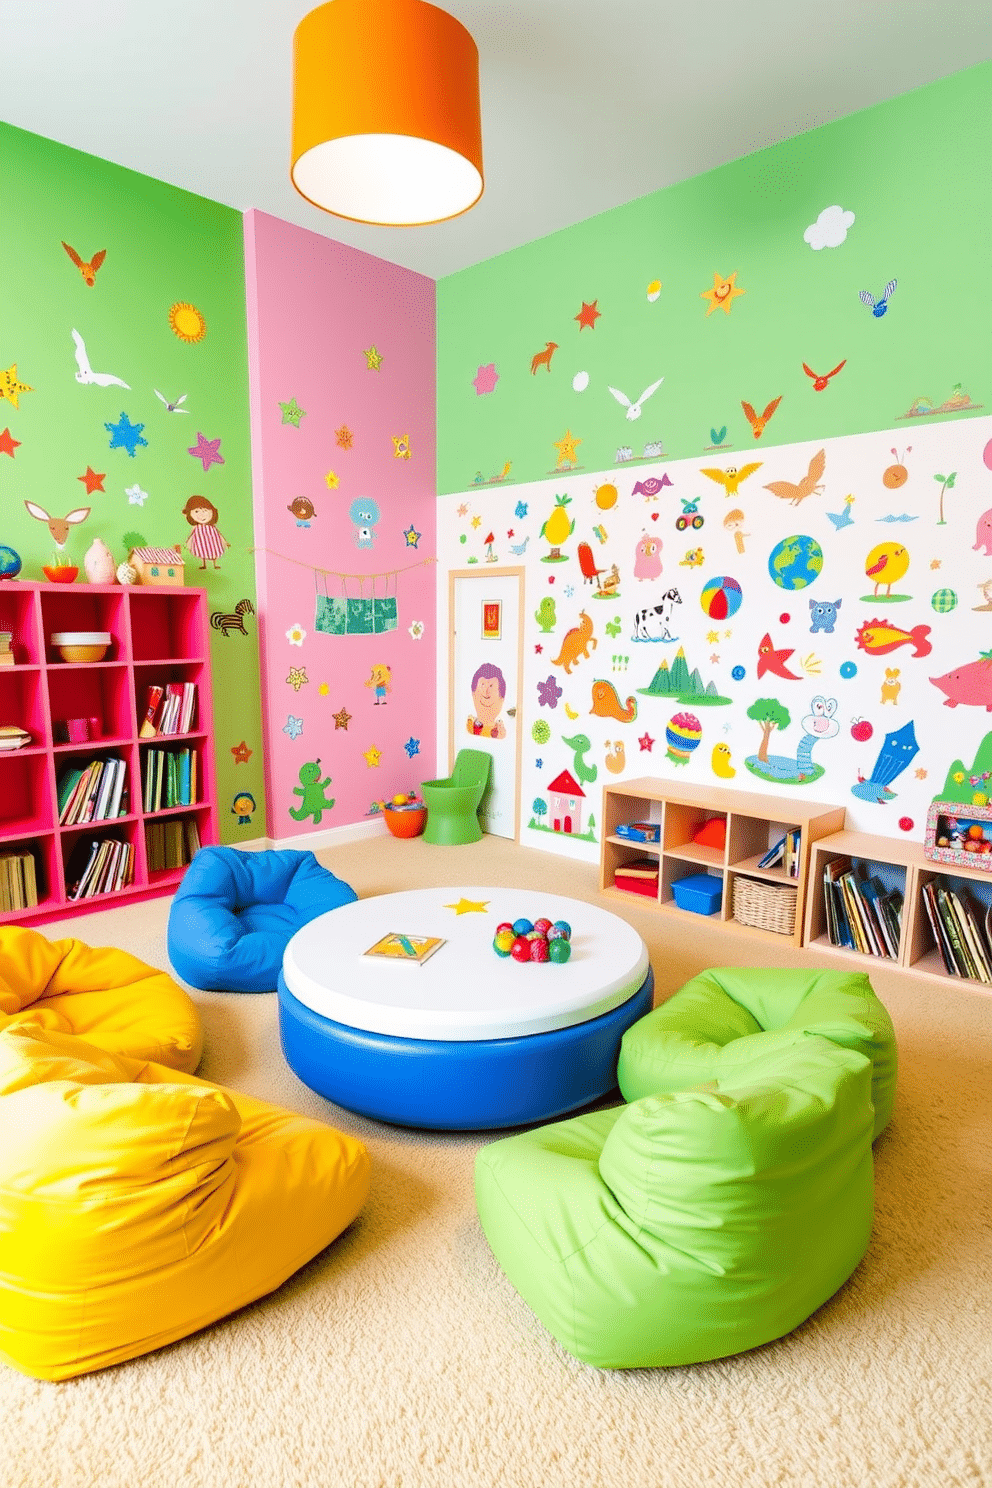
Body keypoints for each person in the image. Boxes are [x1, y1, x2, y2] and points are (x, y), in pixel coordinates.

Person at [182, 495, 229, 570]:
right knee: (202, 553)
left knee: (214, 552)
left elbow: (219, 535)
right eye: (196, 511)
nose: (201, 514)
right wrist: (188, 543)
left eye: (205, 511)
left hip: (213, 542)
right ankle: (204, 564)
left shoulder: (212, 527)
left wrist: (225, 542)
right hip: (202, 543)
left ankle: (215, 564)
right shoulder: (196, 528)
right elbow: (191, 536)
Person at [467, 662, 507, 739]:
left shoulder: (500, 732)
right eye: (482, 685)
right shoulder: (469, 725)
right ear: (473, 694)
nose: (486, 691)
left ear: (502, 699)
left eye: (491, 686)